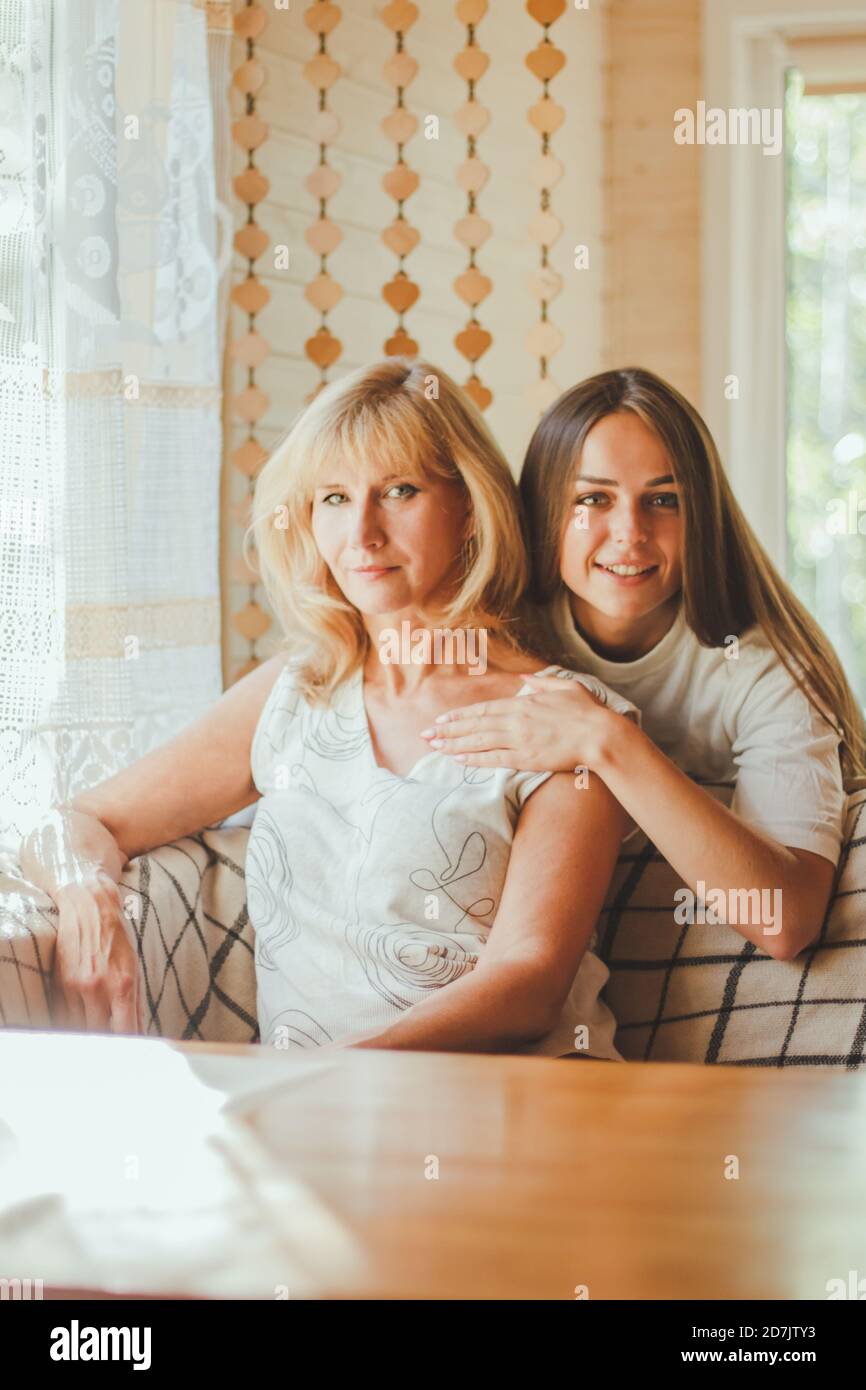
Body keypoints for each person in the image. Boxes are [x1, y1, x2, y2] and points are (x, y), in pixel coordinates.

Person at [19, 358, 637, 1059]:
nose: (362, 534)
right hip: (322, 1122)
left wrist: (330, 1077)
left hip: (514, 1107)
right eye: (334, 499)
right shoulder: (294, 693)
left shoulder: (564, 717)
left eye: (399, 491)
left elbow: (528, 983)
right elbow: (80, 819)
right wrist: (85, 898)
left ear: (468, 506)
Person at [423, 366, 866, 962]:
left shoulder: (767, 669)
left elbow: (786, 922)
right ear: (545, 510)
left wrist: (607, 740)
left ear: (703, 515)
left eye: (663, 500)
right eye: (593, 499)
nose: (630, 533)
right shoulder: (496, 633)